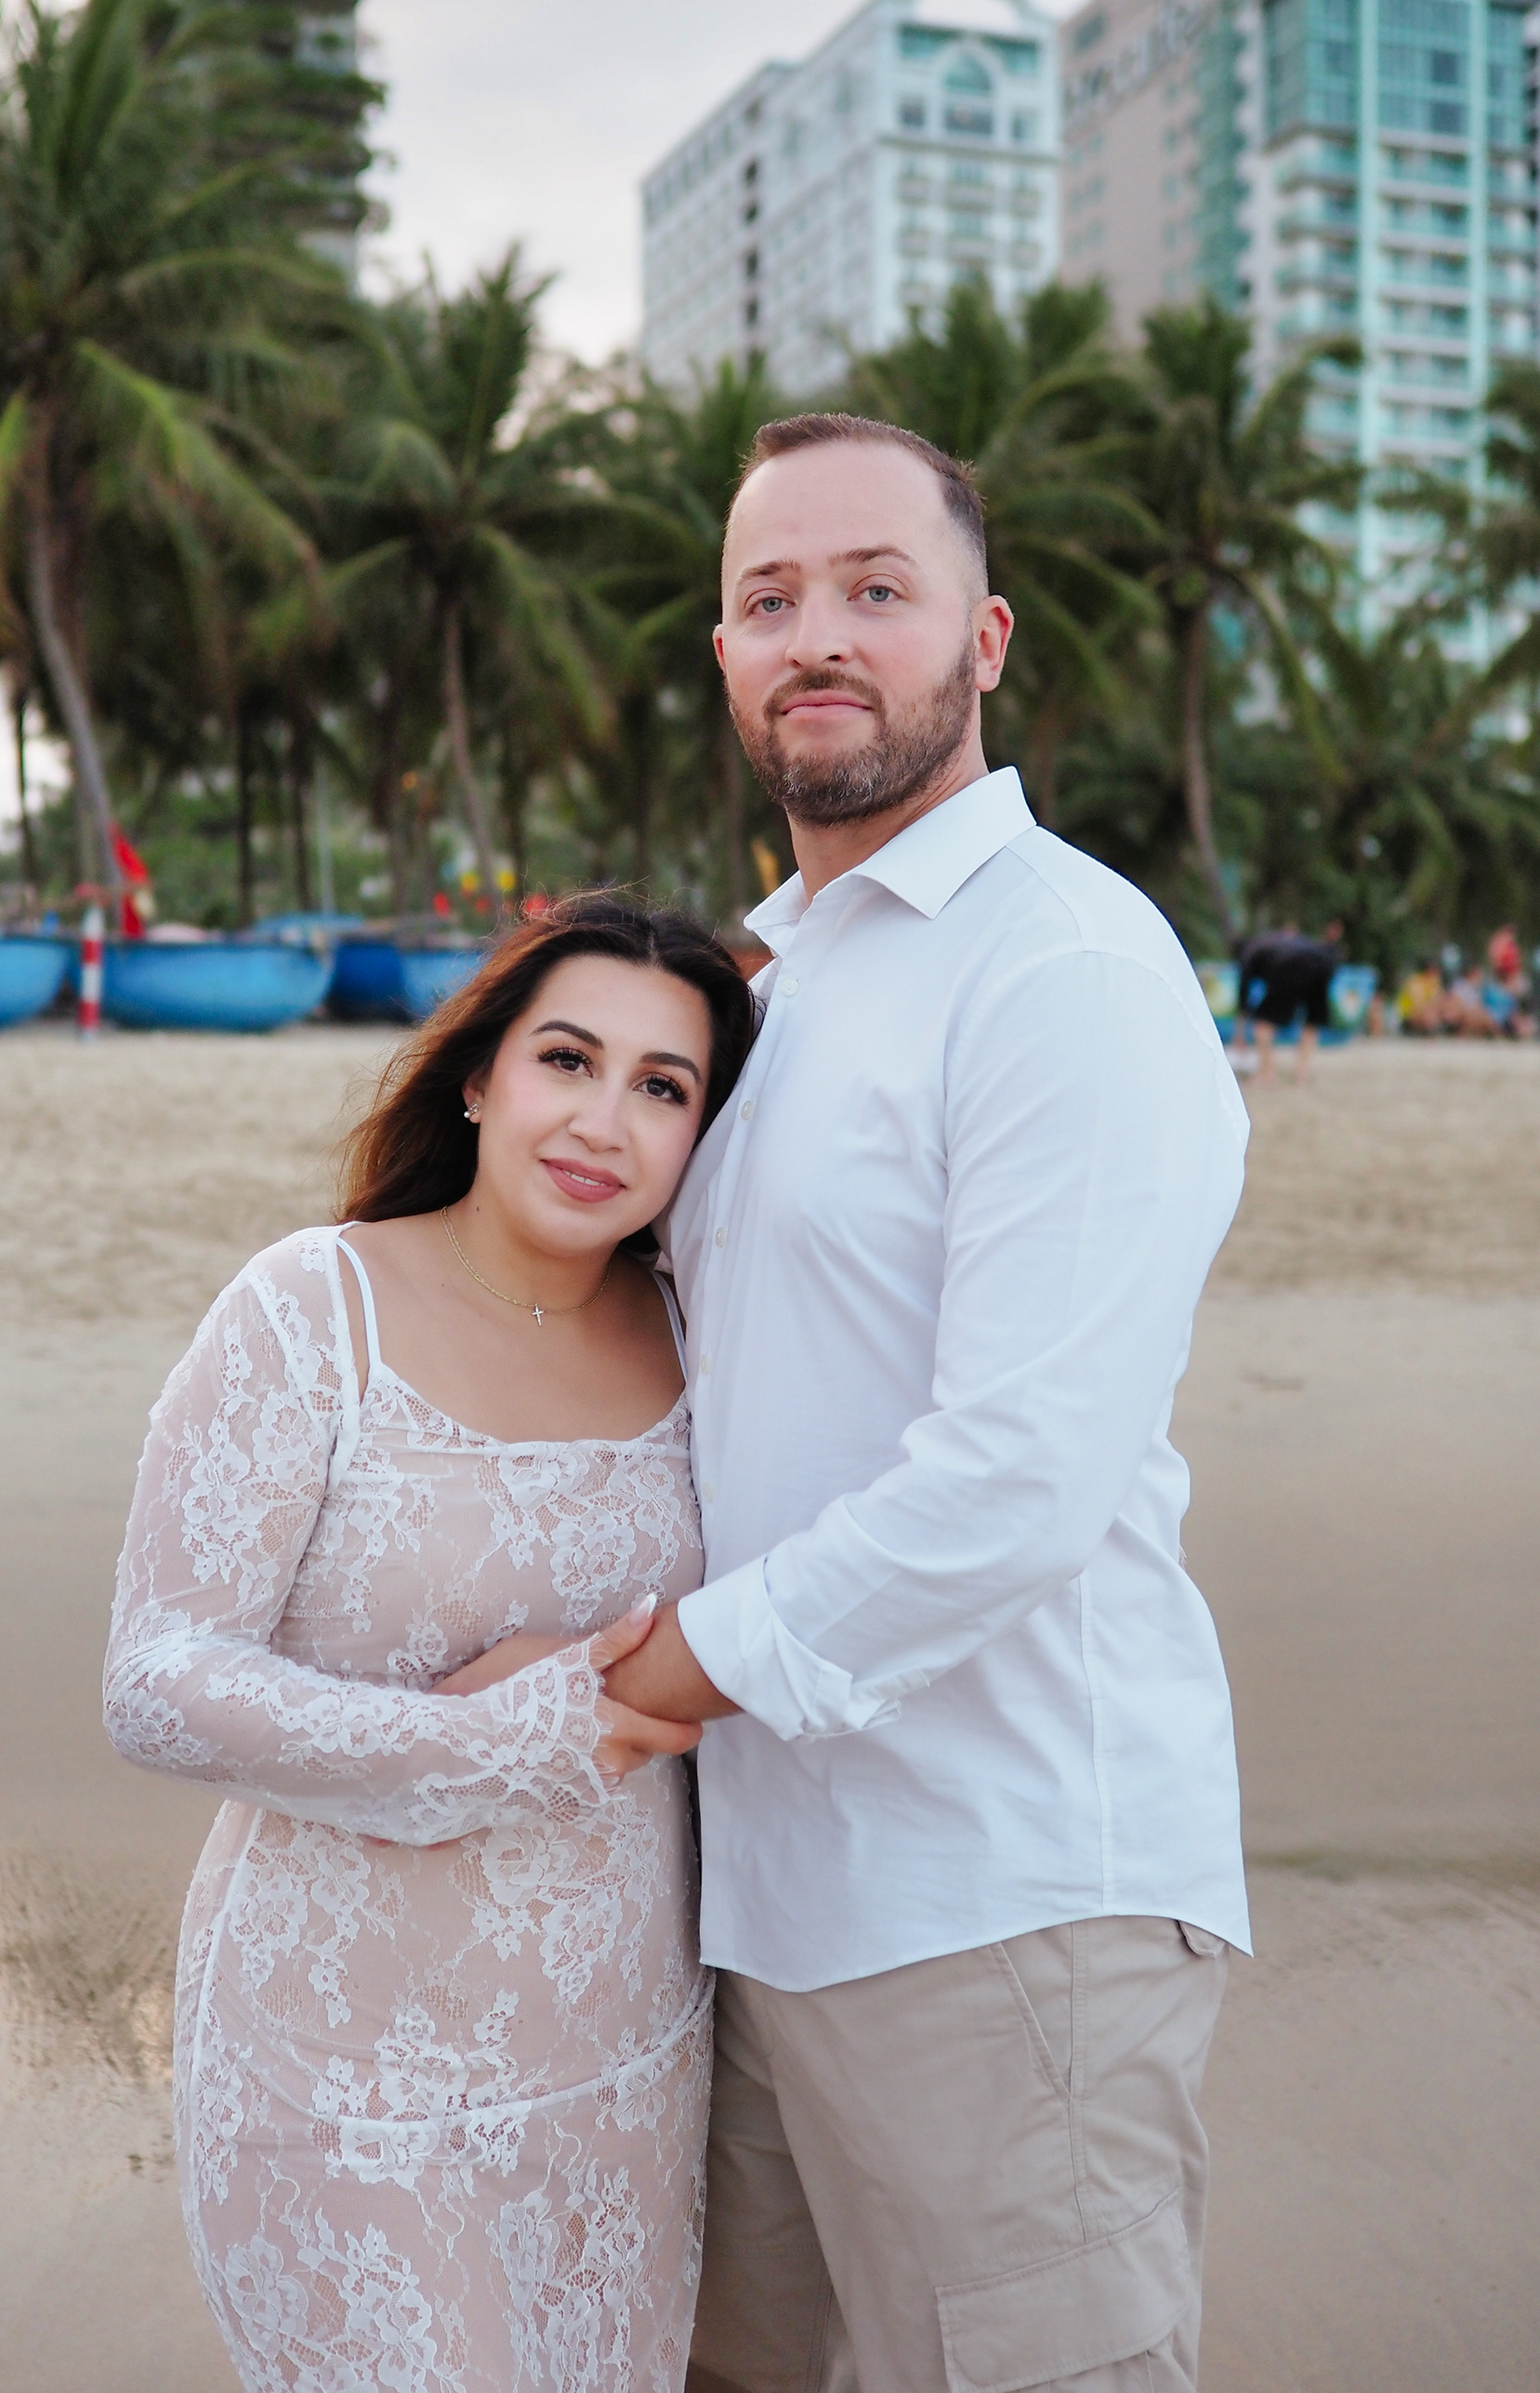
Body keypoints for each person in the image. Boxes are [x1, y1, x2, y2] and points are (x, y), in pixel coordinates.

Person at [596, 414, 1252, 2393]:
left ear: (984, 638)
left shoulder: (1059, 962)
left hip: (1000, 1897)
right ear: (721, 657)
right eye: (772, 599)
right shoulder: (766, 984)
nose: (822, 637)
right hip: (760, 1894)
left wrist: (670, 1670)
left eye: (878, 591)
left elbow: (1022, 1477)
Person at [103, 896, 757, 2393]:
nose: (605, 1120)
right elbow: (153, 1680)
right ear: (480, 1077)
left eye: (664, 1087)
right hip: (337, 2073)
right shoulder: (306, 1312)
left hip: (623, 2066)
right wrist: (483, 1746)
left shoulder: (702, 1331)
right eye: (568, 1059)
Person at [1238, 921, 1340, 1084]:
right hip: (1324, 963)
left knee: (1264, 1022)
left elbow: (1243, 996)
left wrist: (1240, 1034)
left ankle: (1267, 1072)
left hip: (1288, 965)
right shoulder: (1269, 943)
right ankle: (1301, 1074)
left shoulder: (1249, 953)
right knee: (1313, 1020)